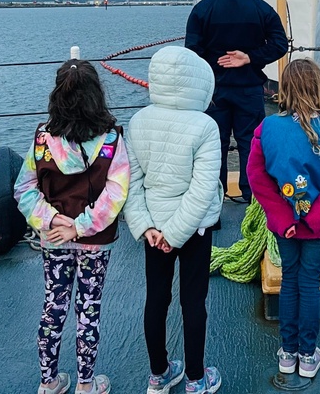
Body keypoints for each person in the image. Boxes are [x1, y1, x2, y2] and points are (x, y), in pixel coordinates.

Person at [14, 60, 130, 394]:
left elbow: (24, 188)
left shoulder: (41, 140)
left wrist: (50, 219)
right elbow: (116, 192)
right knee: (88, 310)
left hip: (53, 239)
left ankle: (48, 382)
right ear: (97, 95)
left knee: (54, 305)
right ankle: (86, 384)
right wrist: (81, 226)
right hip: (95, 241)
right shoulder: (111, 140)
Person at [247, 58, 320, 380]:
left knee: (289, 281)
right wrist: (317, 215)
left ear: (285, 89)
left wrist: (284, 216)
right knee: (310, 283)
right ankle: (308, 355)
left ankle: (288, 352)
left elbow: (256, 175)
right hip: (318, 225)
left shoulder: (267, 127)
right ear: (319, 87)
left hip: (285, 226)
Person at [123, 46, 224, 394]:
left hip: (154, 229)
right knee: (193, 301)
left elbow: (131, 183)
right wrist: (177, 233)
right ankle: (196, 378)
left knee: (156, 299)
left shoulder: (138, 121)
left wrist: (147, 228)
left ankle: (158, 374)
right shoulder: (206, 127)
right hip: (192, 229)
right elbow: (202, 189)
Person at [185, 0, 288, 204]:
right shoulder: (262, 9)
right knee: (250, 144)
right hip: (249, 88)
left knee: (213, 147)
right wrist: (249, 57)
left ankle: (214, 201)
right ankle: (251, 198)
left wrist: (213, 65)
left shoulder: (202, 10)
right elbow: (280, 45)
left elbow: (191, 53)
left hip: (214, 91)